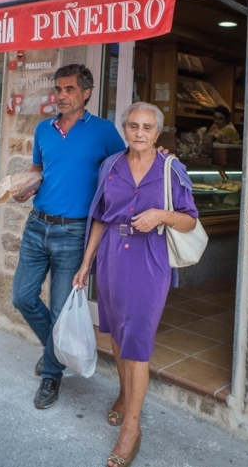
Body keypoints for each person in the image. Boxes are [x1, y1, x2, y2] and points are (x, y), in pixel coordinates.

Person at [73, 102, 199, 467]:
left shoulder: (171, 168)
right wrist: (86, 263)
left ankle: (132, 427)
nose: (139, 133)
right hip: (111, 255)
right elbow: (98, 216)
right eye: (132, 126)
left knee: (138, 341)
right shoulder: (110, 166)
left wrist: (162, 215)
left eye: (147, 127)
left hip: (150, 259)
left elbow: (190, 221)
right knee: (115, 332)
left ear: (157, 133)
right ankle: (125, 393)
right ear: (125, 129)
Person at [11, 64, 126, 410]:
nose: (60, 96)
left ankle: (52, 374)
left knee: (61, 310)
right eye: (58, 90)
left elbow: (125, 167)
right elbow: (38, 170)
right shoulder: (44, 129)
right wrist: (25, 187)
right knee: (22, 297)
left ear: (86, 93)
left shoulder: (104, 132)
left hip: (74, 232)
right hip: (37, 225)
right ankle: (56, 353)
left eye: (69, 90)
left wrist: (162, 155)